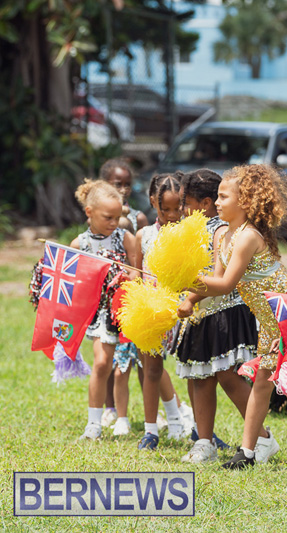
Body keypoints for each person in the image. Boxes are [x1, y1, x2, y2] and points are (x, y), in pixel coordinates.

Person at [187, 164, 287, 470]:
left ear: (245, 202)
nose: (216, 202)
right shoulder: (226, 237)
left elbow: (226, 285)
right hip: (266, 318)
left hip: (285, 314)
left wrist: (183, 279)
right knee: (262, 380)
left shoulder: (247, 237)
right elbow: (216, 282)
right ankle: (248, 452)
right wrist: (191, 295)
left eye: (223, 196)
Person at [174, 169, 266, 464]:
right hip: (204, 310)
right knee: (201, 376)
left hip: (228, 309)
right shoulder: (211, 231)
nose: (183, 210)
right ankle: (204, 441)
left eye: (186, 203)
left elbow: (223, 280)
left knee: (228, 375)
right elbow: (211, 274)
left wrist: (187, 291)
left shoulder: (235, 231)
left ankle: (260, 437)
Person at [71, 179, 137, 440]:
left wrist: (126, 277)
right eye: (108, 217)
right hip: (99, 314)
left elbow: (137, 271)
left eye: (118, 217)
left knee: (128, 368)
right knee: (101, 364)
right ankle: (94, 424)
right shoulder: (80, 245)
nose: (113, 223)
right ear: (89, 213)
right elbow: (75, 284)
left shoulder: (125, 238)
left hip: (126, 311)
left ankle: (126, 417)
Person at [135, 173, 194, 451]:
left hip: (184, 310)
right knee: (152, 370)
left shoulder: (190, 234)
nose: (172, 214)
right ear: (153, 203)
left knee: (195, 372)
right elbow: (136, 272)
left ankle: (198, 430)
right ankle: (150, 430)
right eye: (165, 209)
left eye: (177, 208)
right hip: (152, 311)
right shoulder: (144, 235)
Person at [98, 157, 147, 432]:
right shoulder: (99, 220)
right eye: (118, 184)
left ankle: (150, 408)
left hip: (130, 295)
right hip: (105, 299)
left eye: (128, 184)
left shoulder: (137, 217)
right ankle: (109, 407)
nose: (124, 189)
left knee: (139, 356)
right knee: (106, 356)